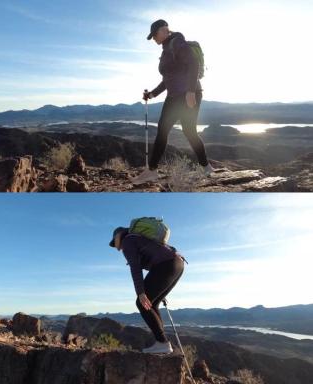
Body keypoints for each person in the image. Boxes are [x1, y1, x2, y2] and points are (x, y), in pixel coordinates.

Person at [133, 20, 214, 185]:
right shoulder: (167, 49)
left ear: (163, 31)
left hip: (185, 94)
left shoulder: (177, 42)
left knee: (170, 130)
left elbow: (193, 63)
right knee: (185, 131)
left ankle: (152, 171)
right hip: (177, 95)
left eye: (154, 35)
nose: (154, 39)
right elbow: (168, 79)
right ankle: (206, 167)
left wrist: (190, 91)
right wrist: (152, 94)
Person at [109, 226, 185, 354]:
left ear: (118, 237)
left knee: (141, 303)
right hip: (178, 264)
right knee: (152, 303)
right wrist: (161, 287)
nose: (120, 248)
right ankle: (162, 343)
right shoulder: (141, 238)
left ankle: (162, 343)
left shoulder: (128, 241)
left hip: (167, 265)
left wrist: (140, 292)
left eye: (116, 243)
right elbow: (162, 253)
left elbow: (135, 268)